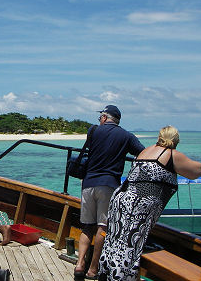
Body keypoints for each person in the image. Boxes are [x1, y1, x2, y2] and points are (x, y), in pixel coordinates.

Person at [98, 126, 201, 280]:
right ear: (175, 140)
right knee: (128, 249)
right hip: (136, 205)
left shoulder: (145, 151)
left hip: (121, 199)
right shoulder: (171, 154)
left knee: (114, 245)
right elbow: (196, 171)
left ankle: (105, 275)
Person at [74, 105, 145, 280]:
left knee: (87, 226)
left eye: (100, 117)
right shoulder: (126, 136)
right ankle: (93, 269)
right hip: (109, 185)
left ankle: (79, 265)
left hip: (88, 183)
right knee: (102, 227)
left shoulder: (94, 131)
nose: (99, 120)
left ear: (105, 118)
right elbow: (143, 153)